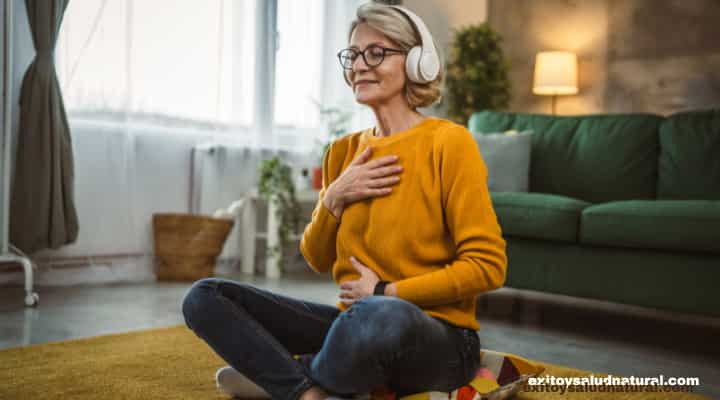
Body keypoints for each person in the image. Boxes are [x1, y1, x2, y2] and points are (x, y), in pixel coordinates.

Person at [181, 3, 507, 400]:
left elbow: (487, 267)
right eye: (353, 55)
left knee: (378, 314)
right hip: (356, 324)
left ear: (417, 62)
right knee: (205, 296)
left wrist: (386, 291)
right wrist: (334, 198)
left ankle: (284, 380)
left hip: (439, 339)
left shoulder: (448, 143)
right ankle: (310, 392)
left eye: (376, 53)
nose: (359, 66)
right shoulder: (342, 153)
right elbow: (316, 258)